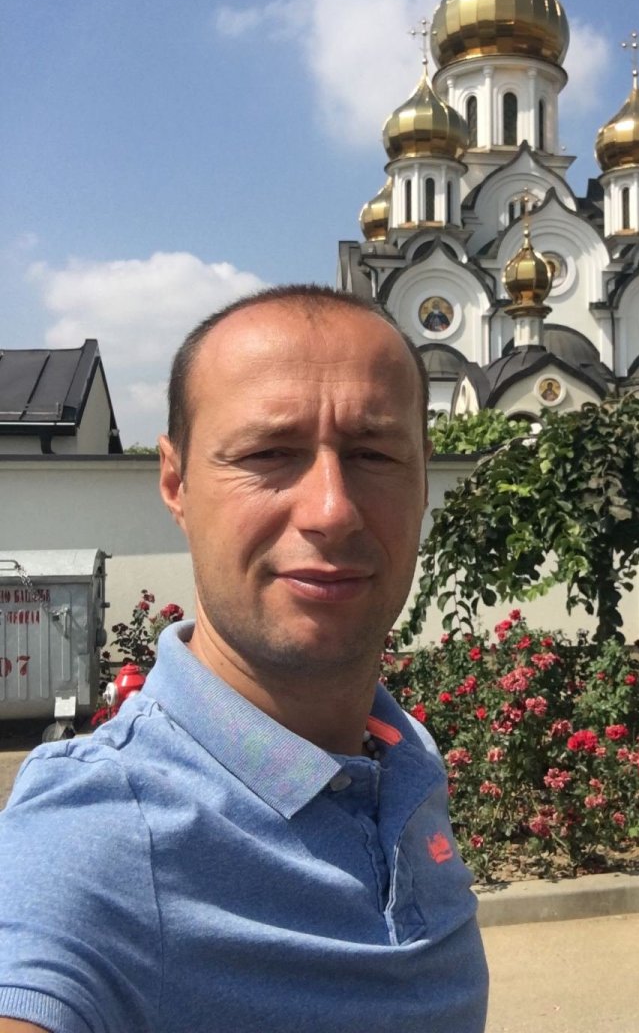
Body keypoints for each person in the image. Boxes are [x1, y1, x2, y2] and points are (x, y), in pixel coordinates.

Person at [0, 285, 489, 1033]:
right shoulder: (102, 830)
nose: (331, 510)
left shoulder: (402, 755)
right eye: (268, 454)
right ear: (176, 484)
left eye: (374, 454)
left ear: (424, 479)